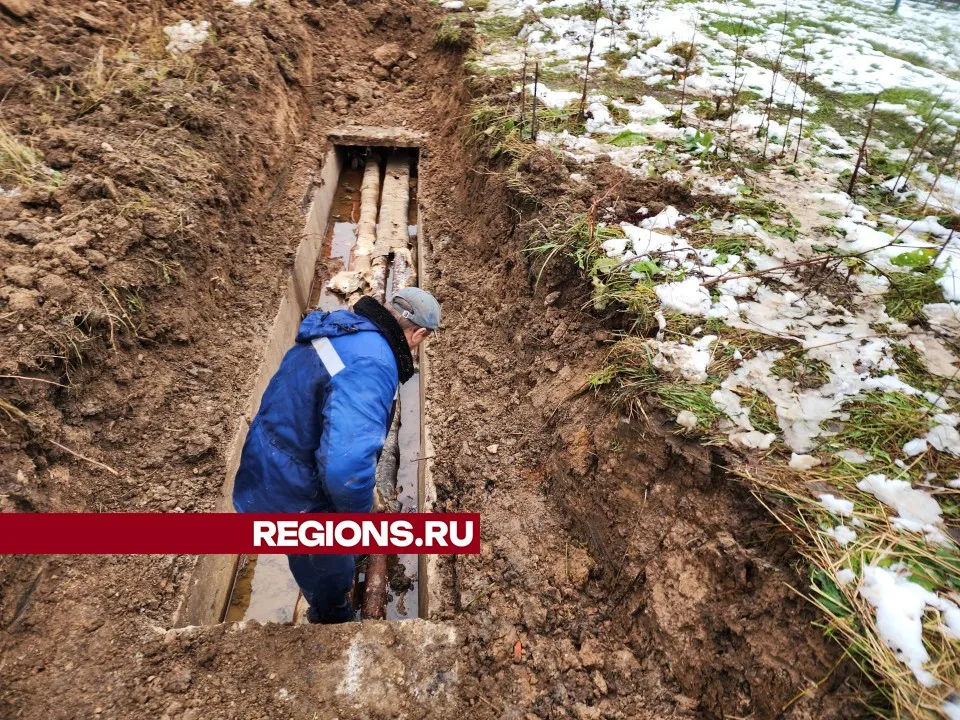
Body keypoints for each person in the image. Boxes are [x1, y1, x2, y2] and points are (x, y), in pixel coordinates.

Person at [232, 287, 440, 623]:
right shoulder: (374, 363)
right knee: (326, 566)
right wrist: (357, 520)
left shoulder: (347, 327)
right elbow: (346, 468)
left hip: (275, 452)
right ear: (417, 334)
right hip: (294, 487)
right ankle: (332, 618)